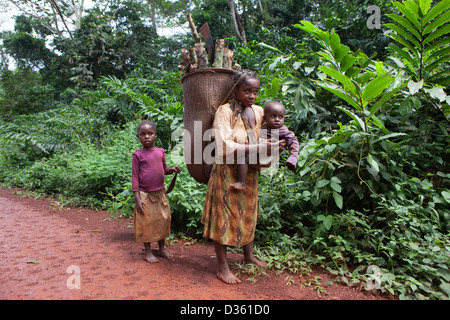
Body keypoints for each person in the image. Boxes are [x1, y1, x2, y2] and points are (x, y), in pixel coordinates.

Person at [201, 70, 283, 284]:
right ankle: (222, 267)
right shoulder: (225, 111)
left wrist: (277, 145)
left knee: (249, 212)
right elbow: (223, 145)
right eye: (247, 91)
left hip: (250, 171)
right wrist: (257, 146)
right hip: (227, 171)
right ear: (236, 88)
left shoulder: (258, 111)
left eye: (256, 92)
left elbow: (268, 132)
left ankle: (248, 256)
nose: (252, 96)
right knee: (224, 217)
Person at [132, 120, 180, 263]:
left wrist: (173, 170)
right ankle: (147, 252)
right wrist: (137, 198)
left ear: (155, 135)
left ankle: (161, 249)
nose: (147, 136)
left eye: (150, 133)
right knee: (146, 222)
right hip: (144, 194)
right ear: (138, 137)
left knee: (162, 220)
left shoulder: (160, 151)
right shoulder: (137, 155)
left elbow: (164, 169)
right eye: (143, 134)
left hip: (159, 193)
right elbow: (135, 176)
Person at [230, 101, 300, 191]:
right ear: (265, 118)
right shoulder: (264, 127)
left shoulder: (282, 130)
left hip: (268, 157)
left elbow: (293, 141)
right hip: (258, 156)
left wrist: (293, 157)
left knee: (245, 158)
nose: (277, 119)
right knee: (244, 158)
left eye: (280, 117)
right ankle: (242, 182)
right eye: (273, 116)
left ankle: (242, 182)